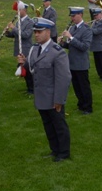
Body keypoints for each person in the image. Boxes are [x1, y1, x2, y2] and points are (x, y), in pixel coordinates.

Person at [18, 18, 72, 162]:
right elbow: (33, 69)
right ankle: (54, 150)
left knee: (59, 126)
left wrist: (59, 100)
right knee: (48, 125)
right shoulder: (35, 49)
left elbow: (64, 78)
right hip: (41, 96)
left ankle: (64, 152)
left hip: (53, 97)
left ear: (48, 32)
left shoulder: (57, 52)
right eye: (35, 32)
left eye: (39, 32)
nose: (36, 35)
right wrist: (24, 63)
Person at [61, 7, 93, 114]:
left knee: (84, 87)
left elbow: (84, 47)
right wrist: (62, 43)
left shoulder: (87, 29)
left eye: (74, 16)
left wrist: (71, 38)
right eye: (71, 16)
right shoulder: (73, 28)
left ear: (81, 15)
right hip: (72, 62)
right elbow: (71, 46)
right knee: (76, 86)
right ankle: (81, 104)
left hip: (81, 63)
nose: (72, 18)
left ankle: (88, 107)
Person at [5, 2, 34, 94]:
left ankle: (32, 89)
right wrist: (7, 33)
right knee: (23, 69)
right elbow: (15, 35)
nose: (17, 12)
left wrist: (14, 28)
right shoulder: (18, 21)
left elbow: (26, 35)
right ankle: (29, 88)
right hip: (19, 48)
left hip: (26, 49)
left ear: (24, 10)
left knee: (28, 70)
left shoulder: (30, 22)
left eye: (19, 10)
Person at [89, 8, 102, 82]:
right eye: (94, 15)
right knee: (97, 62)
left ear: (100, 15)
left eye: (96, 15)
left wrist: (87, 28)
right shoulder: (95, 22)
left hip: (101, 46)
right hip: (95, 46)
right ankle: (100, 75)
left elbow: (95, 32)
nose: (95, 17)